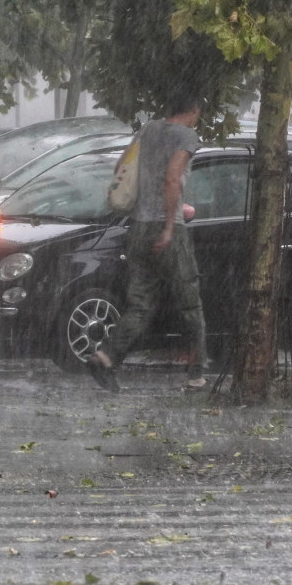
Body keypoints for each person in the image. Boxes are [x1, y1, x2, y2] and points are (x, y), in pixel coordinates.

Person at [88, 92, 208, 392]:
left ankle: (105, 356)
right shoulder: (187, 136)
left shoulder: (148, 130)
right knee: (190, 304)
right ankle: (196, 374)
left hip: (138, 227)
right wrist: (169, 226)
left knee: (140, 305)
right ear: (193, 109)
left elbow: (122, 167)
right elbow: (172, 179)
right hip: (167, 228)